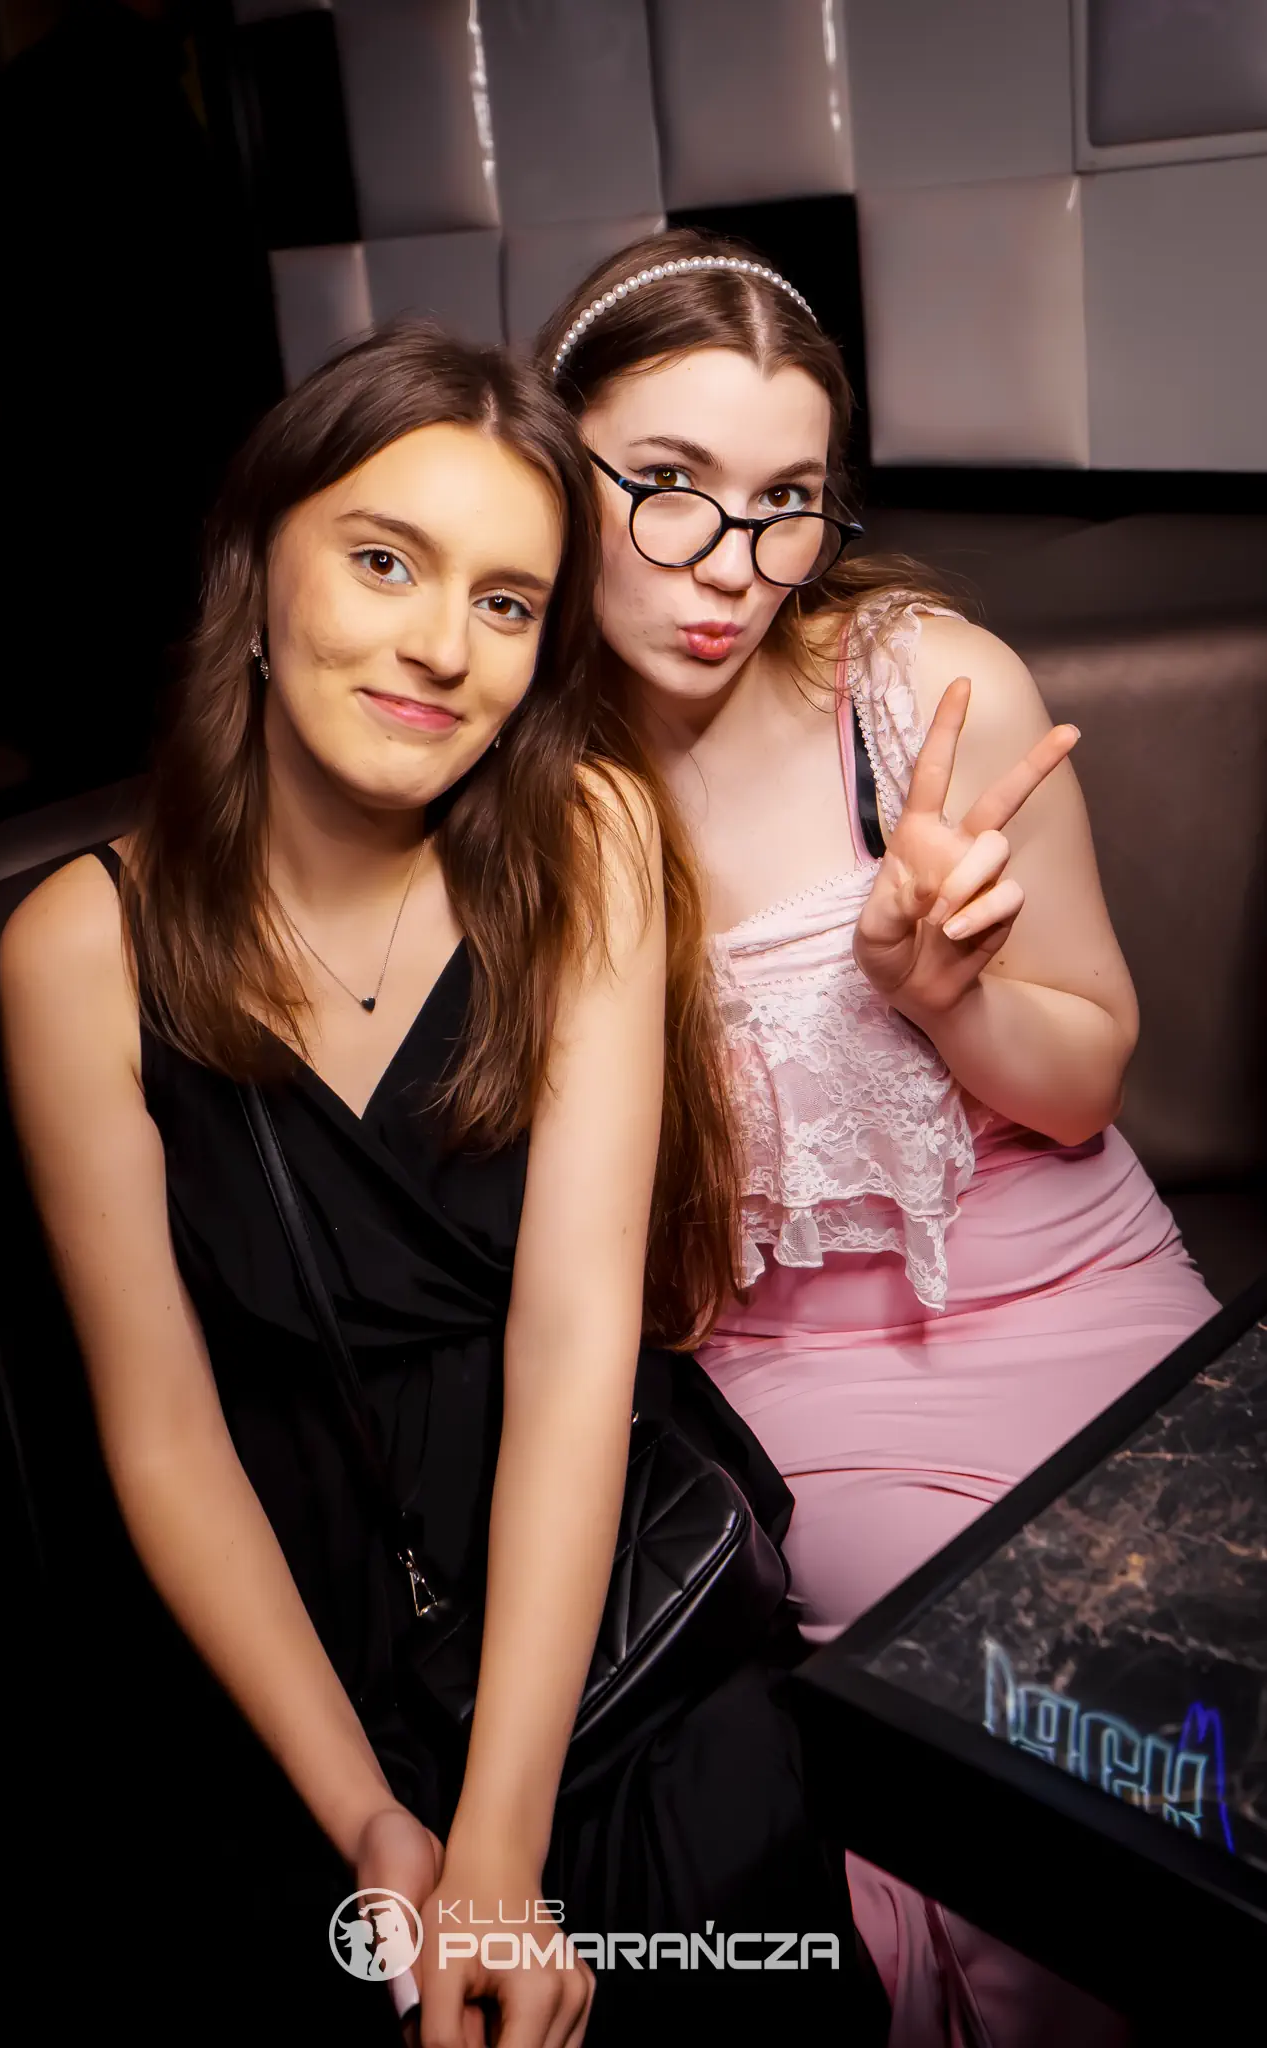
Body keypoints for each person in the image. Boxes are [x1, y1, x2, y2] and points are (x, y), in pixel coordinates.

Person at [0, 318, 885, 2042]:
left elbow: (575, 1337)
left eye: (507, 601)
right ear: (258, 575)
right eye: (386, 561)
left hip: (596, 1585)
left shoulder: (585, 847)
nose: (440, 647)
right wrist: (370, 1823)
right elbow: (164, 1435)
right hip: (290, 1646)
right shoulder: (79, 951)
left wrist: (496, 1843)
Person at [538, 228, 1220, 2046]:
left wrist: (940, 997)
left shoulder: (923, 686)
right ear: (550, 462)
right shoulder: (510, 784)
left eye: (786, 503)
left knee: (1213, 1683)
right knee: (1026, 1741)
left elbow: (1082, 1082)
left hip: (1077, 1287)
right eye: (666, 483)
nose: (730, 564)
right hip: (792, 1378)